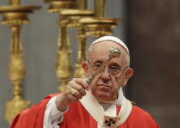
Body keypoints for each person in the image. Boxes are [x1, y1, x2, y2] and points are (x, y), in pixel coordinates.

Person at [11, 36, 160, 128]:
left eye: (114, 68)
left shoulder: (143, 122)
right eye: (98, 65)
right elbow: (25, 123)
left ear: (126, 75)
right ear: (86, 69)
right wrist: (61, 102)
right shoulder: (60, 109)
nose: (105, 75)